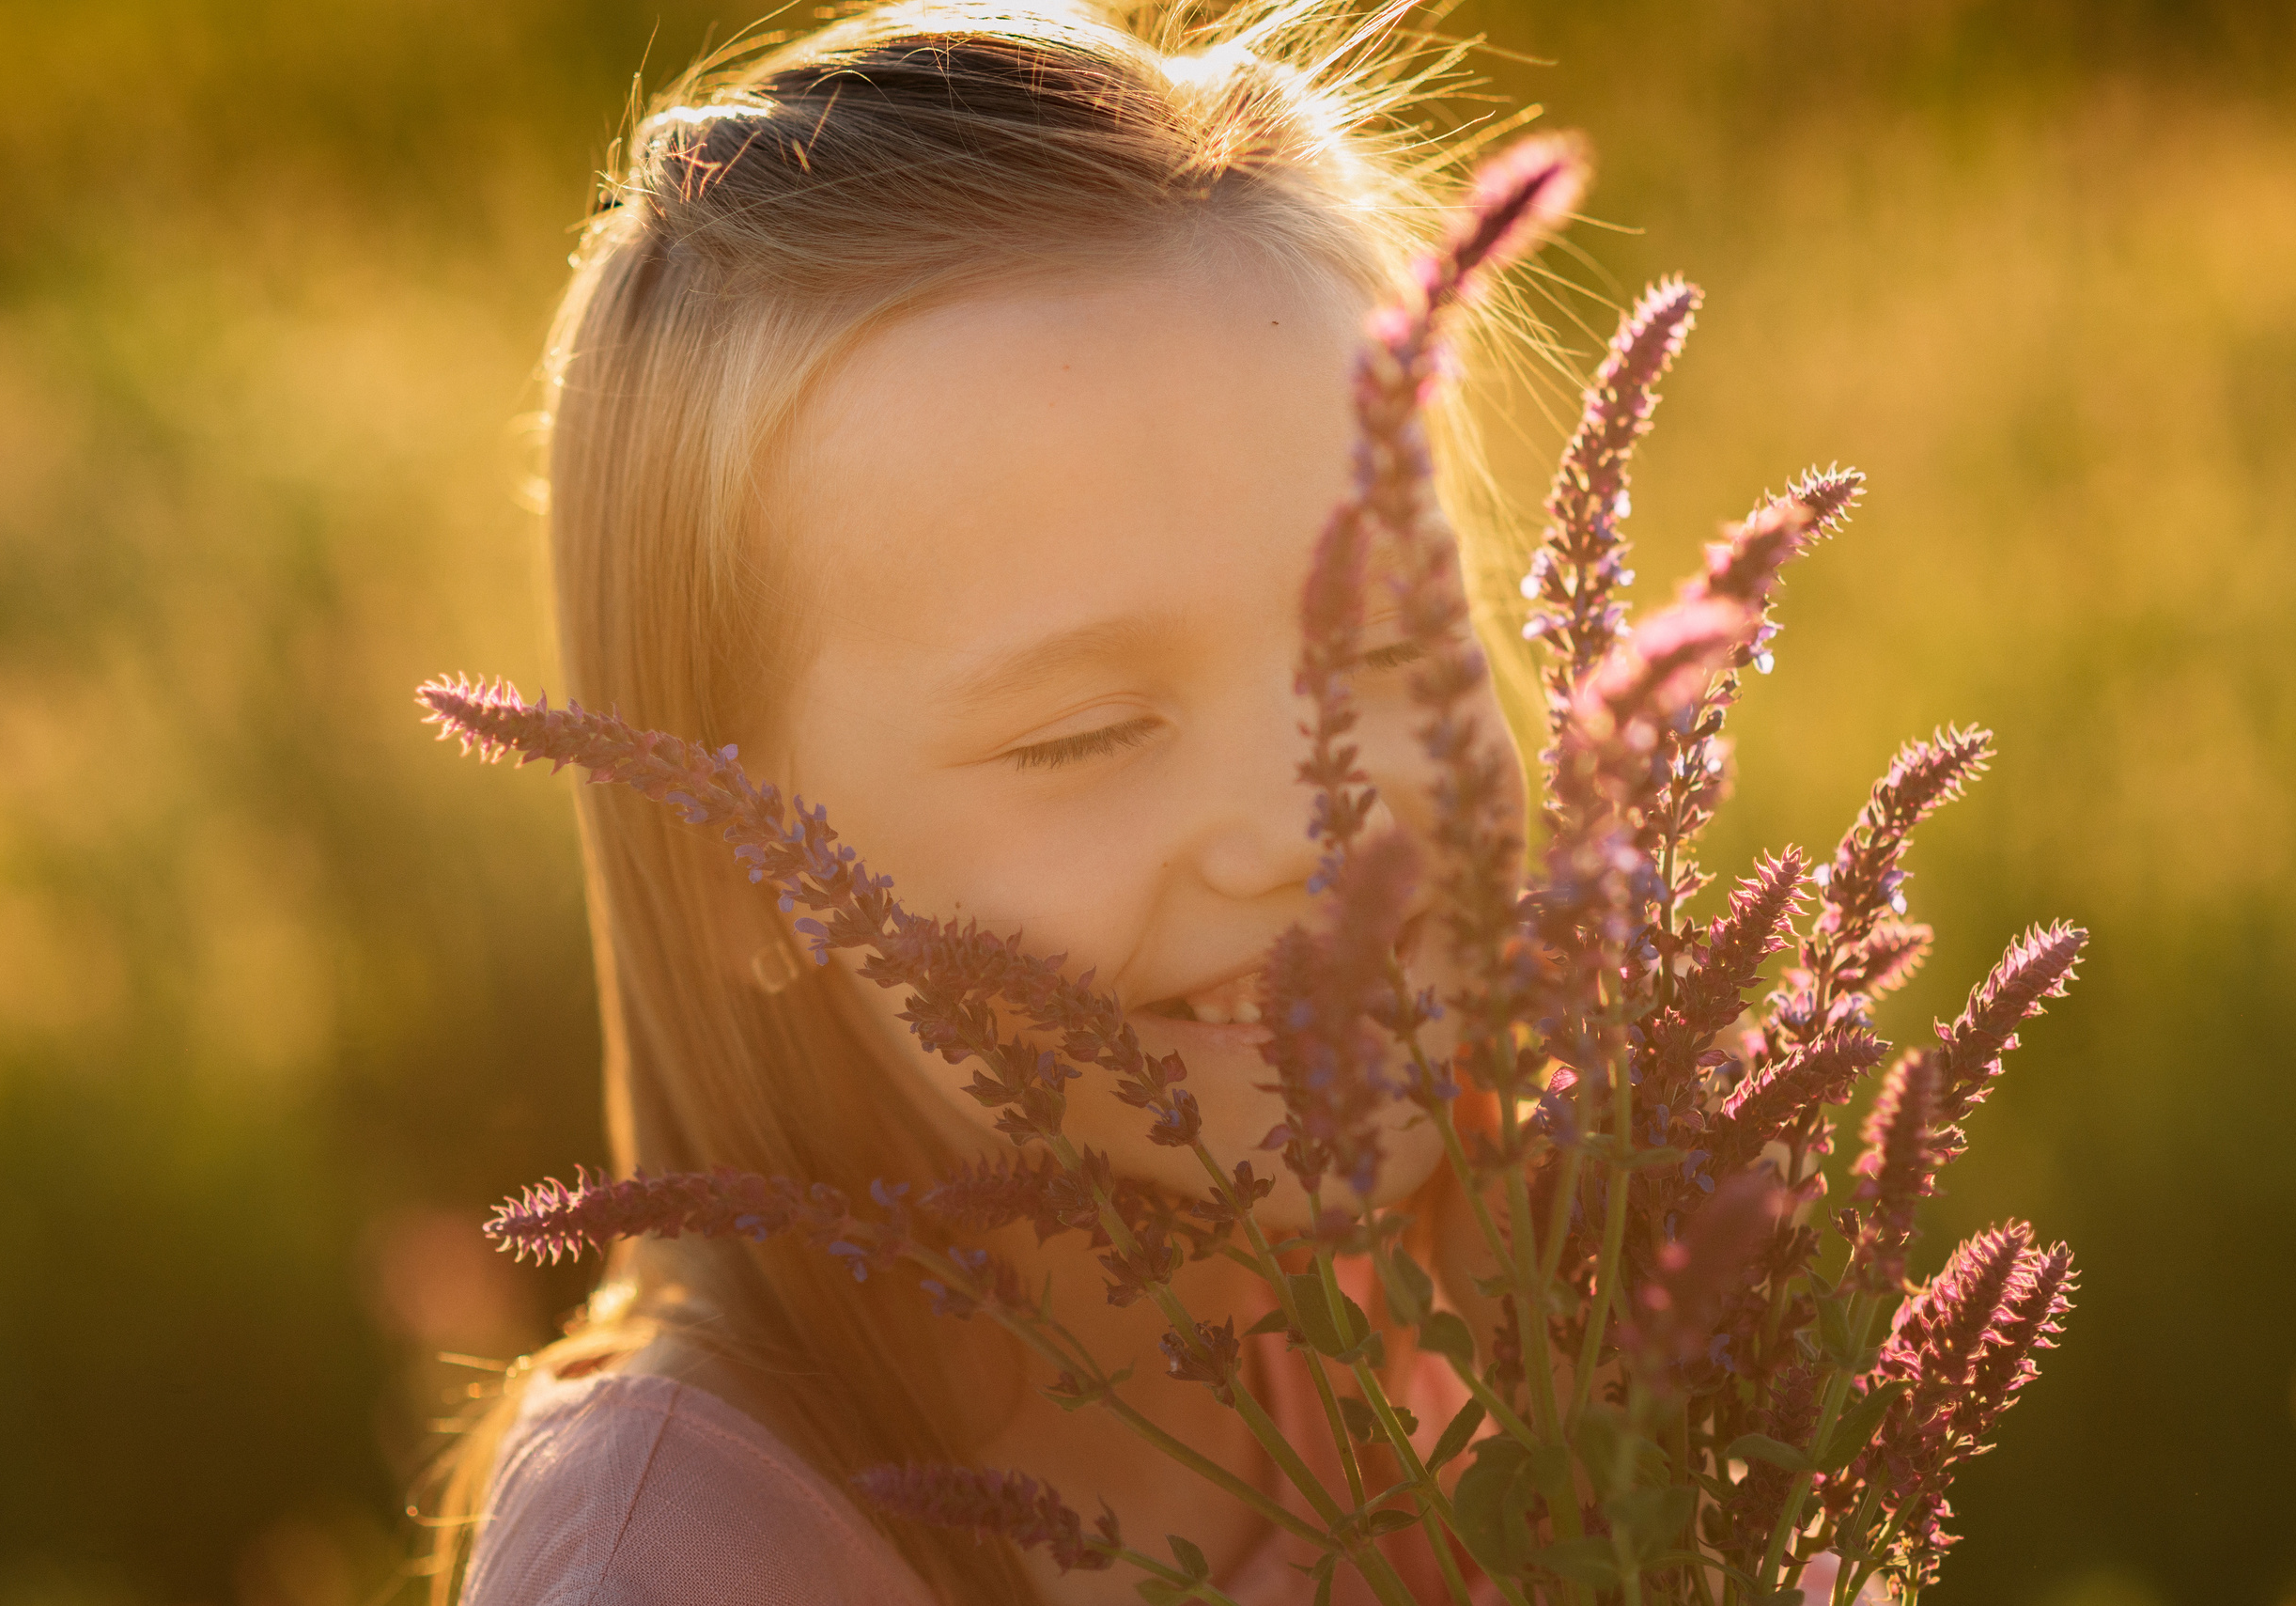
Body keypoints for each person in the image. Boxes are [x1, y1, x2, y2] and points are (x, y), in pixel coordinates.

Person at [428, 3, 1607, 1600]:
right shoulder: (695, 1555)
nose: (1308, 830)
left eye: (1396, 641)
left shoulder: (1518, 1348)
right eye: (1089, 732)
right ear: (732, 864)